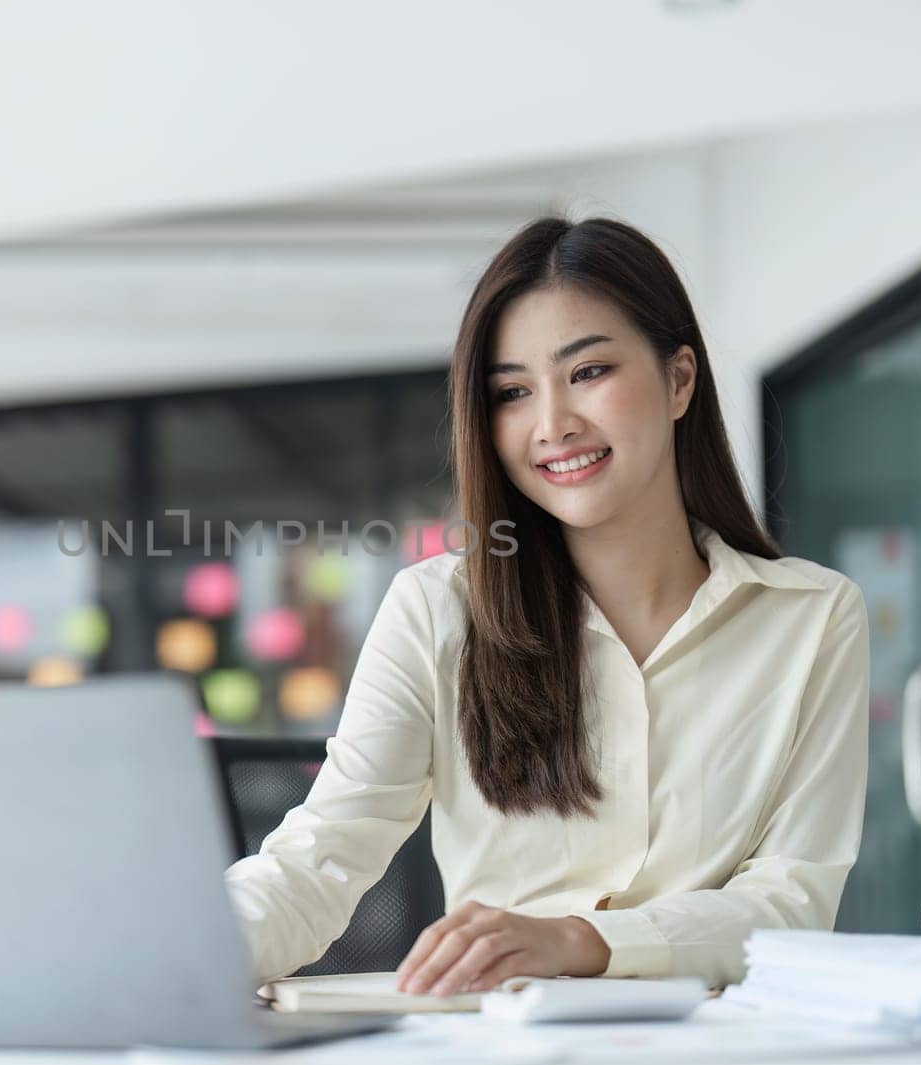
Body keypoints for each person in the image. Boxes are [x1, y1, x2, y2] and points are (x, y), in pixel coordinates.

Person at [223, 216, 870, 994]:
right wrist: (170, 956)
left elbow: (793, 903)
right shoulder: (437, 609)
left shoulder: (813, 618)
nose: (553, 423)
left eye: (588, 371)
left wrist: (578, 940)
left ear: (679, 380)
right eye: (512, 392)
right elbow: (319, 860)